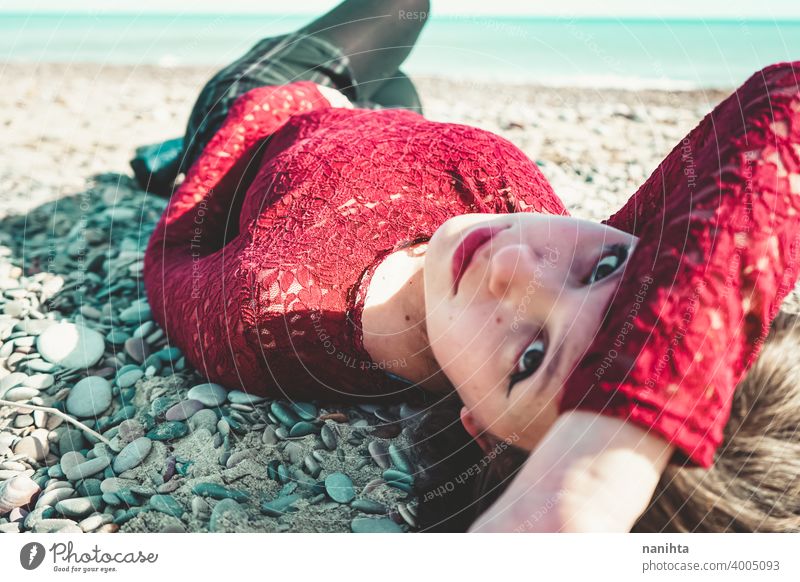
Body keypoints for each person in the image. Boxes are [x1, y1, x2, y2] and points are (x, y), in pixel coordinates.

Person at [141, 0, 800, 531]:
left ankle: (176, 149)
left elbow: (174, 251)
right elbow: (784, 102)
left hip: (265, 111)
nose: (511, 263)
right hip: (389, 115)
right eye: (602, 268)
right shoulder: (597, 245)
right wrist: (612, 457)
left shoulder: (271, 318)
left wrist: (234, 148)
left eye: (531, 358)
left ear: (483, 432)